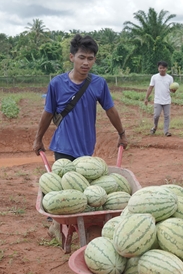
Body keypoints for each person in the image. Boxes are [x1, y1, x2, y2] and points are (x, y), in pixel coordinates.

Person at [32, 34, 128, 242]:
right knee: (65, 187)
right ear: (72, 57)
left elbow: (110, 110)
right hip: (63, 146)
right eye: (82, 57)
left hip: (86, 147)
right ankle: (58, 224)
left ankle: (73, 223)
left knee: (82, 192)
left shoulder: (98, 84)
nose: (86, 63)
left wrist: (121, 133)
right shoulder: (57, 84)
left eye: (90, 58)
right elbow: (47, 113)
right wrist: (38, 138)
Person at [144, 61, 175, 136]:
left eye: (163, 68)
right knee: (156, 115)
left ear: (166, 69)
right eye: (160, 68)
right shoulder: (154, 77)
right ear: (158, 68)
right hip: (158, 100)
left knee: (167, 116)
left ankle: (166, 131)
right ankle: (154, 127)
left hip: (167, 100)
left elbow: (171, 90)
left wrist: (174, 90)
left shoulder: (170, 78)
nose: (162, 69)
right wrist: (146, 98)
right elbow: (150, 88)